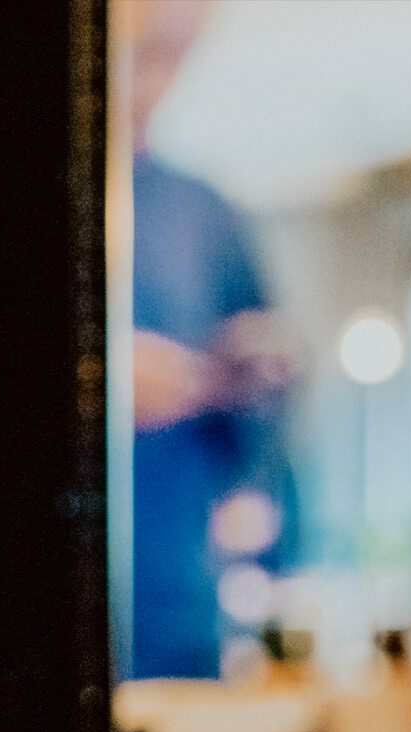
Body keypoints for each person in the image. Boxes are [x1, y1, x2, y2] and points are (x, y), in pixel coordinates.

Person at [126, 0, 295, 679]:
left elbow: (258, 414)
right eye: (144, 50)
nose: (153, 80)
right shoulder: (7, 203)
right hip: (36, 597)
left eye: (174, 56)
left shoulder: (202, 209)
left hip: (177, 602)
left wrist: (257, 373)